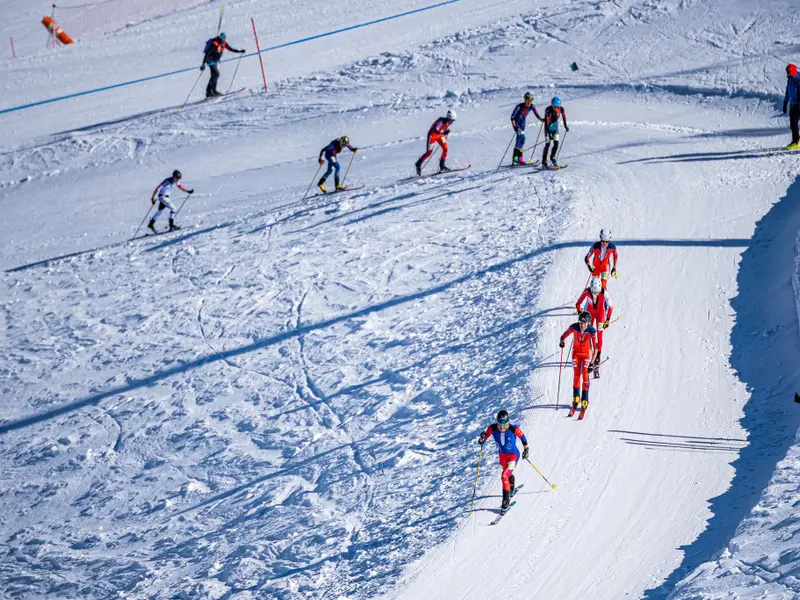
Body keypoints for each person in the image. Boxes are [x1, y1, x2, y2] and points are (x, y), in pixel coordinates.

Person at [478, 409, 529, 513]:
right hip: (502, 456)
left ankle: (505, 503)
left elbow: (522, 437)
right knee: (507, 473)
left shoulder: (513, 429)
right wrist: (481, 438)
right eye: (499, 424)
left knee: (504, 475)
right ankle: (512, 486)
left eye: (504, 424)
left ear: (507, 422)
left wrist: (526, 449)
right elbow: (483, 440)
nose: (501, 427)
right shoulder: (492, 428)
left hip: (513, 456)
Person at [559, 311, 598, 419]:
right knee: (576, 375)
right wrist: (562, 341)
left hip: (586, 355)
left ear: (588, 323)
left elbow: (596, 348)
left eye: (584, 323)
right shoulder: (574, 327)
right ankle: (576, 398)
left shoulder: (591, 330)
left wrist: (592, 362)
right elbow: (563, 336)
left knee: (585, 376)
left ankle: (585, 400)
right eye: (580, 322)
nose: (582, 325)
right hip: (575, 354)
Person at [575, 277, 614, 371]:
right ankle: (589, 352)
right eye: (595, 292)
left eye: (598, 292)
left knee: (599, 335)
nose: (597, 294)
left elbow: (611, 307)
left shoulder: (604, 292)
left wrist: (607, 319)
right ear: (591, 289)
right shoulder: (587, 292)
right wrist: (580, 313)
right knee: (588, 334)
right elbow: (578, 303)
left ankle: (598, 356)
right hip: (590, 314)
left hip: (600, 314)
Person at [201, 33, 245, 98]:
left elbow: (231, 49)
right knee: (216, 74)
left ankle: (211, 91)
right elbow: (207, 54)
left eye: (223, 39)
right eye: (221, 39)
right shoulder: (215, 43)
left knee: (214, 75)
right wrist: (203, 64)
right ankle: (211, 91)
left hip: (214, 61)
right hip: (210, 60)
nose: (222, 41)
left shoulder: (224, 43)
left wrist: (239, 51)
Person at [415, 109, 457, 176]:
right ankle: (418, 164)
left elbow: (444, 131)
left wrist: (445, 135)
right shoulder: (441, 121)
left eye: (453, 121)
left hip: (439, 136)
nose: (452, 122)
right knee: (429, 153)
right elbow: (436, 129)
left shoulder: (448, 122)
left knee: (445, 148)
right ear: (448, 117)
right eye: (451, 120)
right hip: (432, 135)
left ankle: (442, 165)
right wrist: (443, 132)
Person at [510, 92, 543, 165]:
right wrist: (515, 126)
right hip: (517, 124)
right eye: (527, 101)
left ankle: (520, 158)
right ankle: (515, 159)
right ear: (524, 100)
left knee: (522, 140)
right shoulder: (519, 106)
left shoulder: (532, 106)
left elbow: (537, 115)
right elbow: (512, 117)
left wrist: (542, 119)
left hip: (522, 124)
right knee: (520, 138)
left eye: (530, 101)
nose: (529, 103)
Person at [541, 96, 569, 168]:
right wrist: (549, 134)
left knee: (556, 144)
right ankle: (544, 162)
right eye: (554, 107)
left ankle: (552, 157)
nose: (556, 108)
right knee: (547, 144)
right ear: (552, 105)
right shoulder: (548, 110)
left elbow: (564, 117)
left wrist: (565, 126)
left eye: (557, 107)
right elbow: (547, 123)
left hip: (555, 128)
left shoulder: (561, 109)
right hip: (548, 128)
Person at [784, 64, 800, 150]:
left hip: (798, 105)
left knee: (794, 124)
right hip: (793, 105)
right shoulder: (790, 80)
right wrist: (785, 102)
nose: (787, 74)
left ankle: (796, 142)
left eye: (789, 72)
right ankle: (796, 140)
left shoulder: (798, 81)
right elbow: (787, 91)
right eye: (787, 72)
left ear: (793, 72)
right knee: (792, 124)